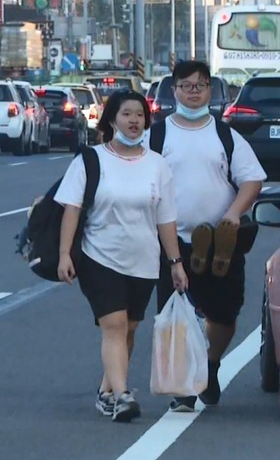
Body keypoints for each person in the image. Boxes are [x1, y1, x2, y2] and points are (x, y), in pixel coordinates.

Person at [55, 90, 189, 423]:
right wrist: (64, 254)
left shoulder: (157, 165)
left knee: (129, 329)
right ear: (112, 118)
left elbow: (166, 218)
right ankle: (123, 395)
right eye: (127, 114)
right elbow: (72, 209)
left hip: (144, 259)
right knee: (113, 326)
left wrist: (176, 263)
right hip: (100, 256)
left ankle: (107, 391)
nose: (134, 121)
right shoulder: (90, 159)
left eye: (140, 115)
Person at [145, 60, 267, 413]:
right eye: (187, 85)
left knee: (225, 316)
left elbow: (252, 180)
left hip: (221, 246)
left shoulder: (226, 135)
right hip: (173, 243)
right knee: (175, 313)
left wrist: (233, 214)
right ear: (175, 90)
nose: (194, 91)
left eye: (200, 85)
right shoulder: (157, 136)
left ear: (210, 91)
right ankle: (183, 387)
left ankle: (210, 366)